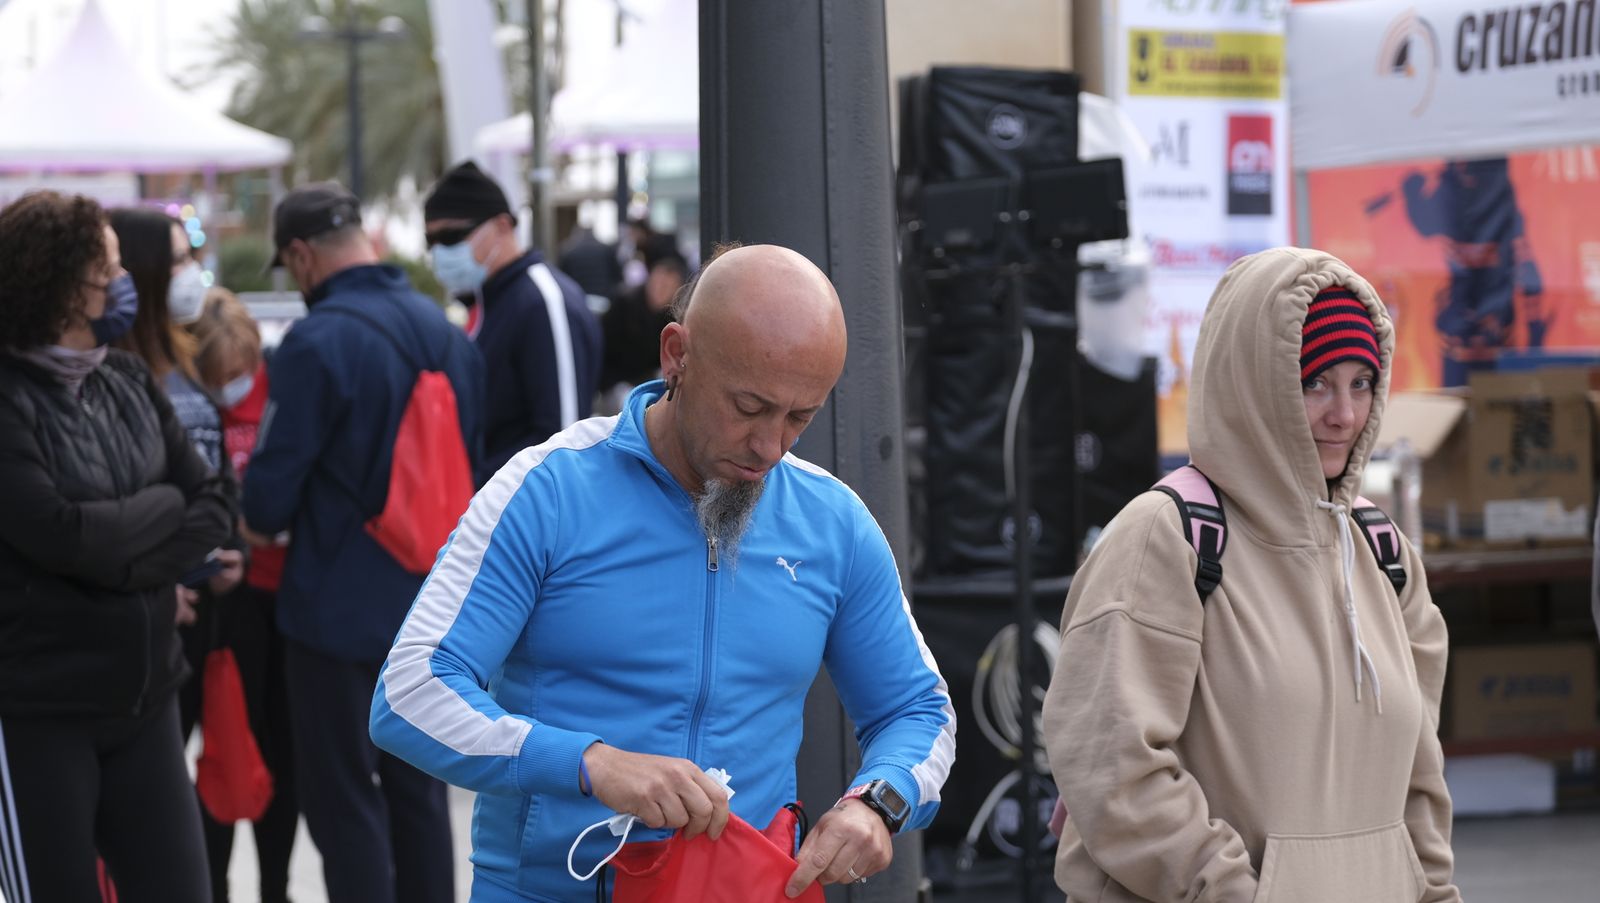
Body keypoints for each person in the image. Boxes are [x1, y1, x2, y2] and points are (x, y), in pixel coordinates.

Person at [370, 243, 956, 903]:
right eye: (749, 406)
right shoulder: (549, 488)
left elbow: (917, 708)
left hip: (745, 888)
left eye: (800, 417)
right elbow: (410, 693)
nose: (771, 446)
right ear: (677, 354)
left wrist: (880, 801)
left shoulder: (832, 520)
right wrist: (591, 762)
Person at [1042, 247, 1459, 903]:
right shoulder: (1163, 538)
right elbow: (1114, 770)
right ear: (1252, 384)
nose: (1343, 414)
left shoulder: (1384, 553)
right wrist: (1234, 891)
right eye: (1314, 381)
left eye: (1361, 382)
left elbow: (1420, 779)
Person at [241, 181, 485, 903]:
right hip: (431, 609)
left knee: (343, 796)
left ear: (300, 254)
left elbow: (266, 500)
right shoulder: (445, 331)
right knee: (419, 795)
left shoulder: (316, 341)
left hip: (333, 612)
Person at [0, 190, 234, 902]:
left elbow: (214, 504)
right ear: (64, 284)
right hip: (38, 715)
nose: (125, 279)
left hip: (147, 700)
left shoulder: (127, 376)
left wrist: (121, 561)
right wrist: (163, 510)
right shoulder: (9, 396)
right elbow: (58, 533)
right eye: (109, 267)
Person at [189, 289, 299, 903]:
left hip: (282, 596)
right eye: (220, 378)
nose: (232, 386)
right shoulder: (198, 405)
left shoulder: (282, 388)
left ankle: (276, 887)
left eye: (239, 372)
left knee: (282, 759)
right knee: (227, 749)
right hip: (225, 607)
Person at [423, 160, 602, 483]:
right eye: (431, 242)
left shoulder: (543, 301)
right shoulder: (487, 302)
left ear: (503, 226)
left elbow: (562, 439)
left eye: (451, 236)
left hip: (526, 517)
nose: (440, 251)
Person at [1401, 157, 1545, 386]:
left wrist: (1536, 333)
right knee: (1455, 408)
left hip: (1497, 343)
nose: (1465, 172)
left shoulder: (1503, 208)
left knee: (1498, 408)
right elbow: (1424, 222)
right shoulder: (1447, 196)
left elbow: (1530, 274)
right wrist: (1412, 187)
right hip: (1458, 345)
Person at [599, 252, 689, 396]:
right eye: (656, 283)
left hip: (653, 381)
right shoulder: (625, 304)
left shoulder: (674, 316)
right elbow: (605, 348)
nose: (659, 290)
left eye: (666, 286)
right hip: (618, 381)